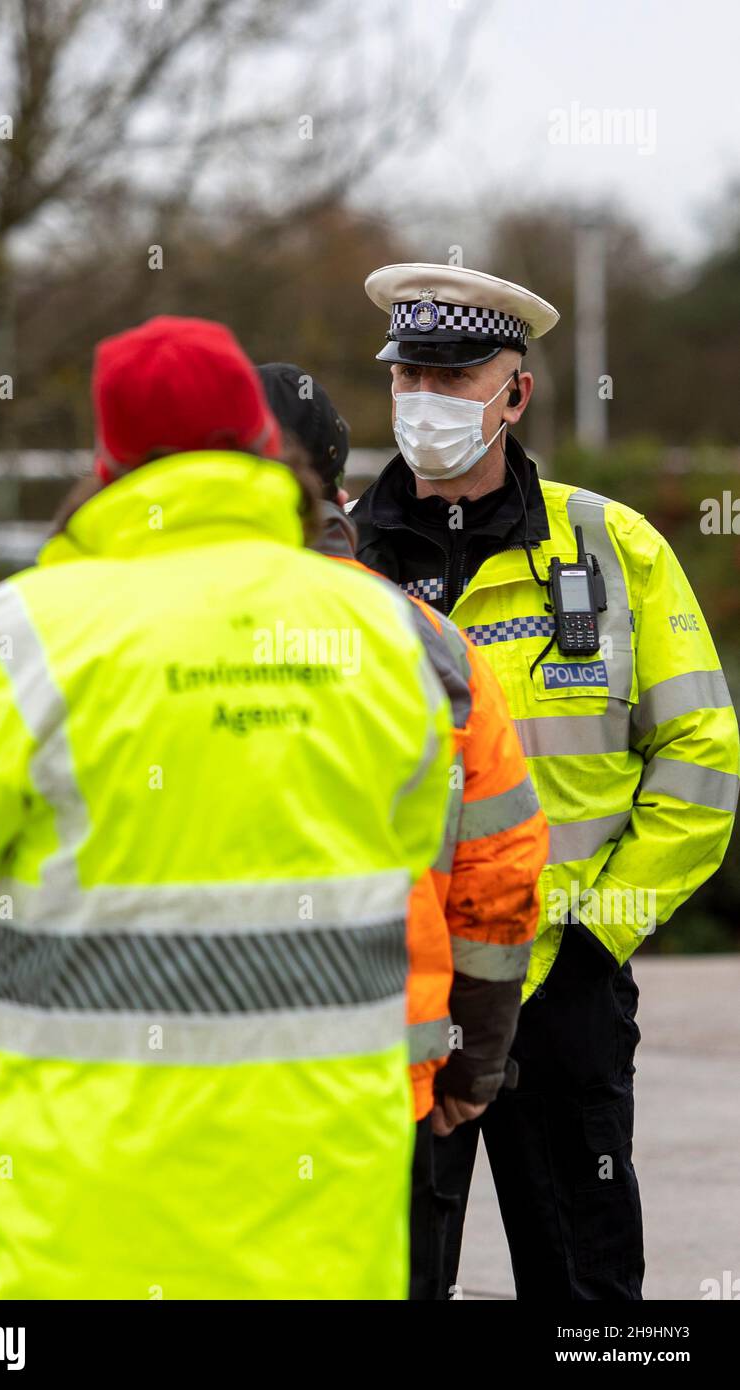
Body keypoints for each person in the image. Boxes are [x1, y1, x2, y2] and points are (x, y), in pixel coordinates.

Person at [0, 315, 457, 1301]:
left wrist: (58, 1034)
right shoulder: (387, 634)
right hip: (324, 1211)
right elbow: (407, 862)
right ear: (260, 445)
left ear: (104, 459)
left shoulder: (13, 636)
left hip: (73, 1213)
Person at [350, 263, 740, 1300]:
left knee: (584, 1283)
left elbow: (699, 752)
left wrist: (599, 929)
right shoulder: (334, 564)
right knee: (378, 1274)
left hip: (561, 985)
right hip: (388, 985)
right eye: (408, 377)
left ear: (513, 393)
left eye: (453, 375)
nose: (424, 401)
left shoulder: (609, 548)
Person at [258, 360, 548, 1298]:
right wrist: (476, 1062)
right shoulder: (426, 644)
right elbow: (498, 874)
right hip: (379, 1088)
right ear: (335, 487)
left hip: (147, 1098)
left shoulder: (87, 638)